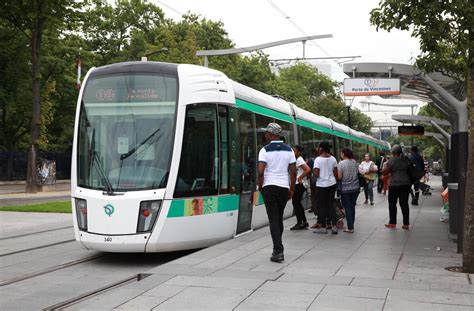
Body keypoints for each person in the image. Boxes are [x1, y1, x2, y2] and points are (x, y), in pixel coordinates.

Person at [257, 122, 296, 263]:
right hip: (283, 188)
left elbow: (261, 171)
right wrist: (291, 188)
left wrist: (260, 186)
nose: (265, 135)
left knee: (273, 219)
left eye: (267, 133)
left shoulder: (264, 150)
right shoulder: (289, 150)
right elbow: (293, 171)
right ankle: (277, 248)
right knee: (278, 217)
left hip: (269, 187)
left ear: (272, 134)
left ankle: (278, 251)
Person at [381, 145, 411, 229]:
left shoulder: (391, 161)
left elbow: (384, 173)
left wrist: (387, 167)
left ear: (393, 152)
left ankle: (392, 223)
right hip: (406, 184)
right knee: (404, 204)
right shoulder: (406, 160)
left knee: (392, 204)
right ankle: (406, 224)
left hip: (394, 184)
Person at [312, 141, 338, 234]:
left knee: (322, 206)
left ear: (321, 148)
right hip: (332, 184)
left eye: (319, 148)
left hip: (322, 185)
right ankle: (334, 226)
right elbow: (336, 173)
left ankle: (323, 227)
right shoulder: (333, 159)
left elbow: (316, 174)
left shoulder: (318, 160)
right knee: (331, 204)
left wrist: (314, 171)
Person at [337, 148, 360, 233]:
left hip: (345, 189)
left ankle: (350, 228)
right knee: (352, 207)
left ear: (343, 154)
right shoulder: (354, 162)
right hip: (355, 188)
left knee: (347, 208)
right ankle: (351, 225)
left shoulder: (341, 164)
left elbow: (339, 177)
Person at [290, 145, 311, 230]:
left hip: (299, 184)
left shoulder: (299, 160)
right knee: (297, 203)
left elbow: (308, 169)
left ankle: (300, 223)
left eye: (294, 151)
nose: (293, 152)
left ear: (299, 152)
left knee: (295, 202)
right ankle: (304, 222)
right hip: (298, 184)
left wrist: (300, 177)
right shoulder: (296, 160)